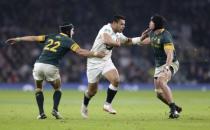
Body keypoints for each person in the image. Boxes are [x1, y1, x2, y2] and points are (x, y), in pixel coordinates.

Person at [6, 23, 106, 119]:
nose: (73, 32)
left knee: (38, 88)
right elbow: (80, 52)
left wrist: (18, 39)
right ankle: (55, 110)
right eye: (72, 30)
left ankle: (41, 114)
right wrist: (96, 53)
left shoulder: (50, 36)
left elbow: (33, 38)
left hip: (38, 64)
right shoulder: (68, 41)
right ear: (68, 31)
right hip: (51, 66)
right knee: (57, 88)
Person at [81, 15, 142, 118]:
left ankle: (107, 105)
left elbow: (128, 41)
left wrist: (141, 38)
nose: (123, 26)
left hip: (106, 61)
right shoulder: (106, 28)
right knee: (92, 91)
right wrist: (116, 44)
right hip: (93, 63)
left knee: (116, 80)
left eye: (124, 24)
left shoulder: (118, 34)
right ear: (114, 23)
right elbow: (106, 40)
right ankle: (84, 105)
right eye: (121, 24)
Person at [138, 15, 182, 119]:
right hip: (159, 65)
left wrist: (167, 68)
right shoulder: (152, 33)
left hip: (170, 63)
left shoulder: (166, 36)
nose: (149, 23)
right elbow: (142, 43)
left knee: (162, 82)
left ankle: (173, 111)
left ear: (156, 24)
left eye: (151, 21)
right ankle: (175, 107)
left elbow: (170, 54)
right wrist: (142, 36)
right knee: (158, 94)